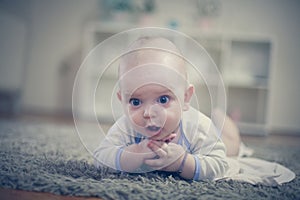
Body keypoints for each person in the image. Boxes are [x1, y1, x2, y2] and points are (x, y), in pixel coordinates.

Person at [94, 36, 241, 181]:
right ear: (122, 101)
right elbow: (100, 158)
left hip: (212, 141)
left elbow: (220, 165)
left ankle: (222, 118)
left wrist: (183, 162)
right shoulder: (126, 127)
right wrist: (133, 153)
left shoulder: (199, 127)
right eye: (136, 101)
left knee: (231, 146)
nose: (149, 113)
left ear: (186, 98)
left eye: (163, 99)